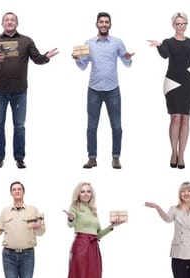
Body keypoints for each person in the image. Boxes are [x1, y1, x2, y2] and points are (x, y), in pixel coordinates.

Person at [0, 12, 59, 169]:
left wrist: (47, 56)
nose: (9, 22)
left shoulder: (26, 41)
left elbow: (37, 59)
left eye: (12, 20)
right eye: (7, 20)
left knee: (19, 126)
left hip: (19, 91)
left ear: (17, 23)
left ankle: (19, 157)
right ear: (2, 23)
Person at [149, 12, 190, 170]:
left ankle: (182, 154)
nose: (181, 26)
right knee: (175, 118)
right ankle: (173, 152)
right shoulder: (168, 42)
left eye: (184, 24)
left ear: (186, 25)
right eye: (178, 24)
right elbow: (164, 55)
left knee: (185, 119)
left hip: (188, 83)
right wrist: (158, 46)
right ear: (173, 25)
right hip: (171, 82)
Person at [64, 182, 123, 278]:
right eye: (82, 191)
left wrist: (111, 226)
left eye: (88, 191)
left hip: (93, 247)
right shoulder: (74, 208)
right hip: (80, 247)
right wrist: (70, 219)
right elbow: (71, 223)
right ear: (78, 194)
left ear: (91, 194)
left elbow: (97, 235)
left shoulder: (93, 210)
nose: (85, 194)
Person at [75, 12, 133, 169]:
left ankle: (116, 157)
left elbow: (127, 63)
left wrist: (127, 57)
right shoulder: (89, 43)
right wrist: (77, 59)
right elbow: (83, 66)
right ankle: (92, 158)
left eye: (106, 22)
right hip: (94, 89)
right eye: (101, 22)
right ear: (97, 24)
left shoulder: (117, 42)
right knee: (91, 126)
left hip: (113, 89)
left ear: (110, 25)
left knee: (116, 126)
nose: (104, 24)